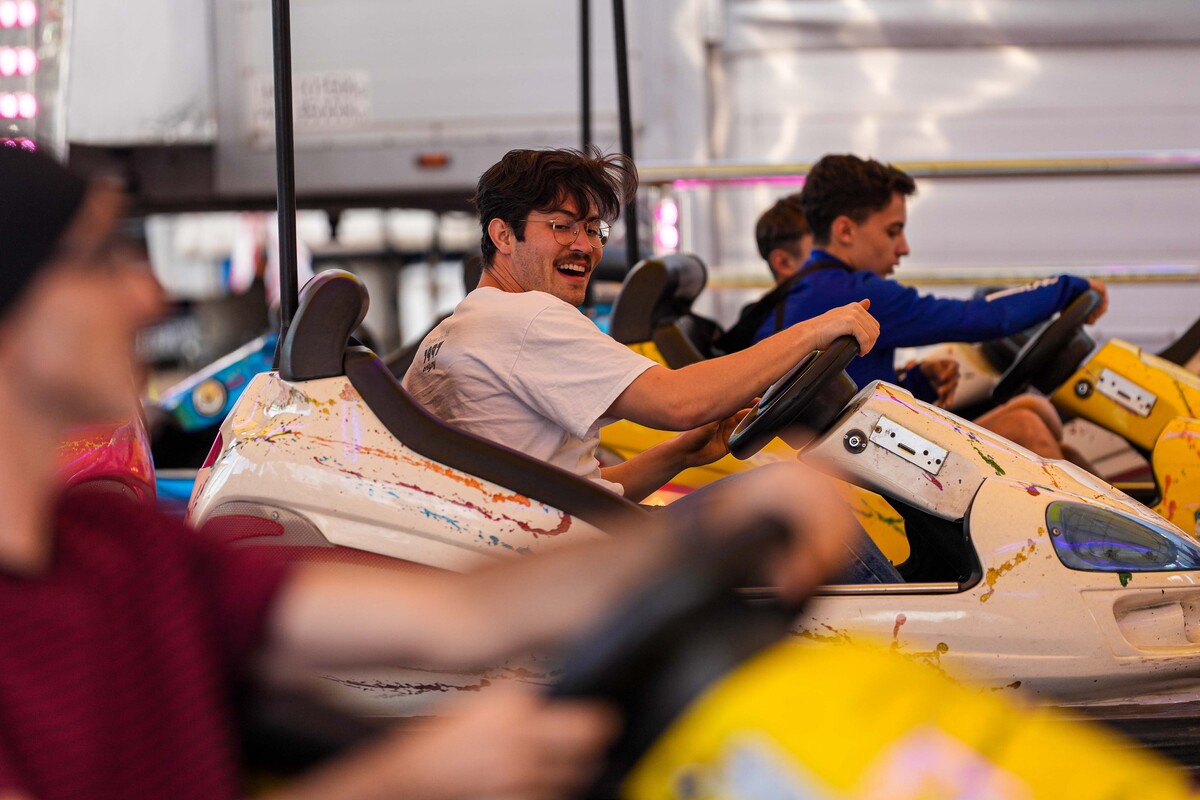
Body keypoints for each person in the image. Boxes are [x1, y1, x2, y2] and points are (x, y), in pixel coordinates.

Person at [0, 147, 865, 800]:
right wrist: (411, 776)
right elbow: (676, 400)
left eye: (589, 229)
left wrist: (714, 527)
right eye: (96, 262)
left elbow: (459, 616)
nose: (148, 296)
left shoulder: (125, 549)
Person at [402, 147, 879, 503]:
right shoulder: (527, 317)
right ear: (503, 234)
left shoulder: (451, 331)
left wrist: (682, 455)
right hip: (572, 569)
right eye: (562, 226)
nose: (585, 246)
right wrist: (814, 332)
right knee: (800, 499)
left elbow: (577, 491)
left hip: (550, 548)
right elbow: (681, 401)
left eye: (593, 229)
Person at [750, 153, 1109, 461]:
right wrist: (1069, 288)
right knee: (1025, 427)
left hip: (852, 450)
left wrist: (915, 379)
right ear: (845, 231)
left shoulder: (794, 295)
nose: (903, 247)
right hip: (855, 467)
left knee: (1033, 408)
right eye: (893, 231)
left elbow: (843, 389)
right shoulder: (860, 296)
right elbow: (981, 318)